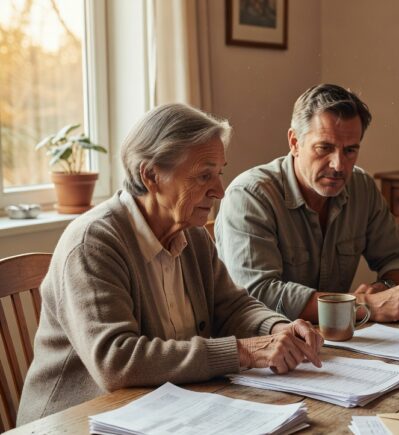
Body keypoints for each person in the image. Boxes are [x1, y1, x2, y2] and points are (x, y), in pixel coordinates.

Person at [17, 104, 324, 425]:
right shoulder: (93, 242)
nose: (219, 190)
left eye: (219, 173)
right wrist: (244, 351)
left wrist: (276, 329)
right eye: (204, 175)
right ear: (150, 175)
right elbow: (117, 361)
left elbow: (232, 307)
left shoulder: (193, 235)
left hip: (161, 410)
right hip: (74, 421)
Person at [215, 84, 399, 323]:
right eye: (324, 148)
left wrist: (383, 288)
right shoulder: (250, 195)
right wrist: (362, 305)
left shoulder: (361, 187)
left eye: (350, 150)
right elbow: (258, 295)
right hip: (266, 348)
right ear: (294, 142)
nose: (339, 165)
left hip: (334, 342)